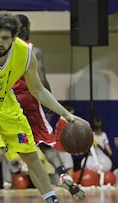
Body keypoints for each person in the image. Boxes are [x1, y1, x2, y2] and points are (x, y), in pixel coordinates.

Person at [0, 13, 89, 203]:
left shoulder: (26, 54)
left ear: (14, 37)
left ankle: (51, 199)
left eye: (4, 38)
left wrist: (65, 114)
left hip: (6, 104)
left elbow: (39, 90)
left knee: (31, 154)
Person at [12, 14, 84, 200]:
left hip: (9, 101)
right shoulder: (33, 50)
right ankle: (62, 174)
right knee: (45, 143)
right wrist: (49, 103)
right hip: (31, 99)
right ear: (28, 28)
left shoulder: (6, 49)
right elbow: (42, 81)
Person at [54, 102, 75, 177]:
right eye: (72, 113)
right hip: (62, 147)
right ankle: (71, 184)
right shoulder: (63, 122)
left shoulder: (60, 121)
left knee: (60, 167)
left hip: (57, 146)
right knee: (69, 166)